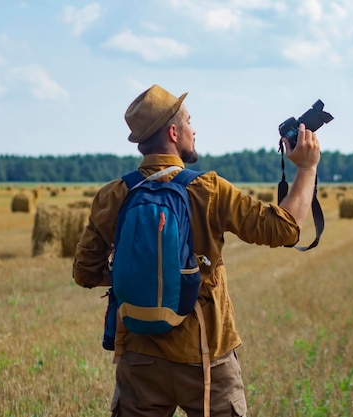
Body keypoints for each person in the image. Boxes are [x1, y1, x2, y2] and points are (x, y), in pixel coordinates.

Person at [72, 84, 321, 417]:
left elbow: (84, 272)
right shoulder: (208, 189)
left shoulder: (113, 195)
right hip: (206, 359)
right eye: (189, 121)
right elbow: (285, 228)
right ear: (174, 132)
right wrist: (306, 168)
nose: (194, 129)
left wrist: (142, 276)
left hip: (139, 357)